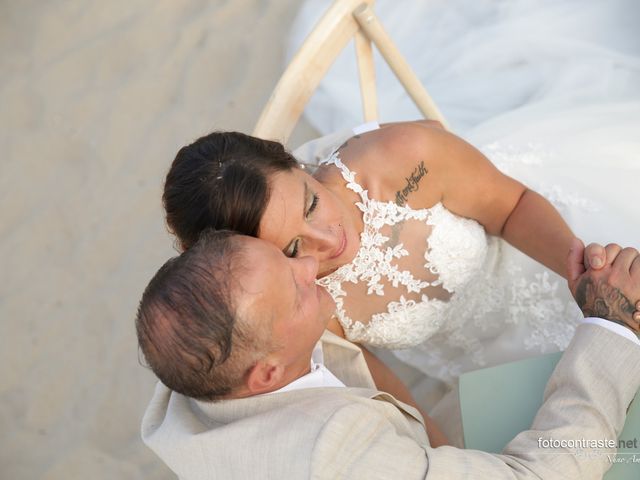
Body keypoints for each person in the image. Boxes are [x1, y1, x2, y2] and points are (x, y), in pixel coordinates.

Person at [162, 121, 640, 385]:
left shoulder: (402, 157)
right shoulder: (294, 306)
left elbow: (513, 207)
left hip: (543, 260)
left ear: (296, 164)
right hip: (484, 367)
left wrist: (581, 278)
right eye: (291, 248)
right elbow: (381, 390)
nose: (328, 242)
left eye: (311, 202)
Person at [137, 230, 640, 479]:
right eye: (295, 289)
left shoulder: (203, 365)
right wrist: (612, 327)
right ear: (266, 373)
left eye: (286, 257)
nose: (310, 264)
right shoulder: (343, 459)